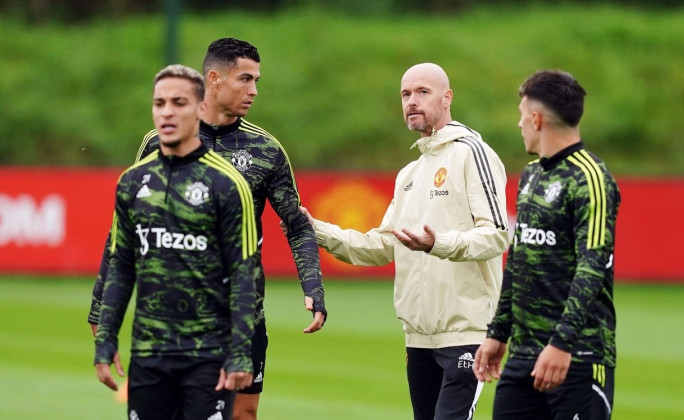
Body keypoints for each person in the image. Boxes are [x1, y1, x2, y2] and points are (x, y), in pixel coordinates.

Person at [88, 38, 327, 420]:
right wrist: (101, 307)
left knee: (242, 415)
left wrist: (312, 286)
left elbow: (296, 222)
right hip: (164, 321)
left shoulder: (265, 150)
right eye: (245, 79)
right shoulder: (156, 146)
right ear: (214, 79)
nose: (254, 91)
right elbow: (126, 234)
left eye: (256, 81)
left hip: (239, 315)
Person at [290, 63, 509, 420]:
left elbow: (498, 234)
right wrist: (316, 230)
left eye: (423, 92)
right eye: (405, 94)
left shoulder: (471, 152)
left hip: (466, 332)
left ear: (447, 97)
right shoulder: (410, 173)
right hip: (417, 337)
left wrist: (437, 243)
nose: (412, 101)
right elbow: (382, 245)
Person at [94, 64, 258, 419]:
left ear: (200, 108)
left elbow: (245, 274)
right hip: (149, 354)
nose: (167, 111)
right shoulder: (132, 182)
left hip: (208, 355)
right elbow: (121, 266)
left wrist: (241, 352)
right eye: (159, 103)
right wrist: (105, 339)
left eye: (179, 102)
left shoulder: (228, 184)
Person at [473, 69, 621, 420]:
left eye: (522, 116)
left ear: (536, 119)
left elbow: (593, 267)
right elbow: (519, 259)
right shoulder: (531, 174)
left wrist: (562, 344)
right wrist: (499, 332)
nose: (519, 124)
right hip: (523, 357)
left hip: (577, 357)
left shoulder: (592, 178)